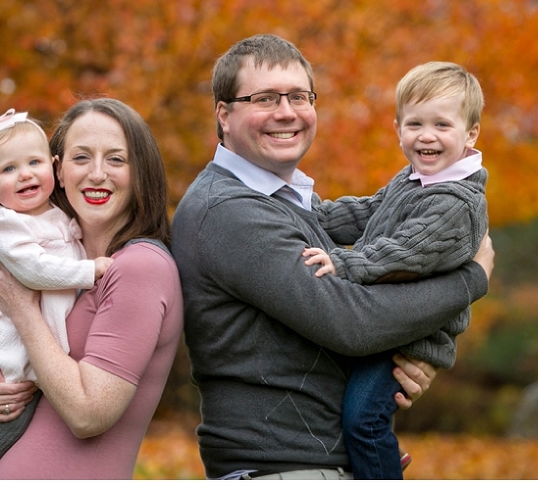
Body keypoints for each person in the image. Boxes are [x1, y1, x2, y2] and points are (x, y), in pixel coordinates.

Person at [170, 34, 494, 480]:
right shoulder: (230, 211)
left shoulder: (283, 200)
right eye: (264, 98)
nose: (286, 111)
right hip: (283, 469)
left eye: (299, 96)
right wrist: (472, 279)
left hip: (314, 462)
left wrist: (403, 366)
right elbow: (353, 323)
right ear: (224, 115)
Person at [0, 98, 183, 479]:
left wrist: (22, 309)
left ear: (140, 173)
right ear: (59, 171)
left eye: (116, 159)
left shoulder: (138, 267)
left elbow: (88, 413)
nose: (97, 173)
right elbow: (24, 349)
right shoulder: (61, 255)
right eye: (82, 158)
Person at [302, 61, 488, 479]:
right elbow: (370, 211)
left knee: (363, 422)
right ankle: (378, 460)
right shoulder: (414, 179)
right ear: (397, 128)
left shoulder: (456, 202)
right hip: (383, 326)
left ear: (470, 133)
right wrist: (314, 215)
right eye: (414, 124)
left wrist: (342, 262)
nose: (426, 136)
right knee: (341, 411)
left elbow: (406, 254)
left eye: (442, 124)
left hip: (408, 343)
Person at [0, 108, 115, 479]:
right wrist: (89, 270)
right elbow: (35, 270)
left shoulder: (55, 210)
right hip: (5, 345)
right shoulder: (6, 225)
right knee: (8, 423)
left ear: (54, 168)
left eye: (34, 162)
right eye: (8, 169)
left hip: (33, 341)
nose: (24, 174)